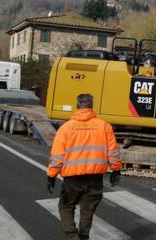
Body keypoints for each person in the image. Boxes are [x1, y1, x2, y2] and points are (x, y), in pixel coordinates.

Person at [46, 93, 122, 240]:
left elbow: (57, 157)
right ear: (91, 106)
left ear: (77, 106)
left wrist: (51, 176)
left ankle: (72, 236)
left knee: (66, 206)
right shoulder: (104, 126)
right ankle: (84, 236)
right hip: (95, 178)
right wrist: (116, 170)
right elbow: (113, 152)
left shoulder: (66, 128)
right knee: (88, 210)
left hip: (73, 179)